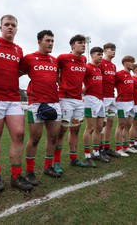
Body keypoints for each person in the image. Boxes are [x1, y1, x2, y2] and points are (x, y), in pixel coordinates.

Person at [0, 14, 33, 192]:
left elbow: (16, 71)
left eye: (13, 25)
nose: (10, 27)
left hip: (13, 99)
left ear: (17, 29)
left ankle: (16, 176)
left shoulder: (18, 50)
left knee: (18, 134)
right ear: (0, 27)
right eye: (7, 24)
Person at [19, 30, 62, 186]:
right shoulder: (29, 58)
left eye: (52, 41)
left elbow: (59, 80)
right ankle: (30, 172)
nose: (50, 43)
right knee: (35, 138)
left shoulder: (55, 61)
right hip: (35, 104)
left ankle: (48, 167)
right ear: (39, 41)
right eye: (47, 40)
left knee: (53, 137)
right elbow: (15, 74)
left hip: (55, 103)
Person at [53, 34, 88, 172]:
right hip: (65, 99)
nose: (83, 45)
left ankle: (74, 159)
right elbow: (54, 70)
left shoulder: (84, 59)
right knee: (61, 131)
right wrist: (61, 84)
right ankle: (56, 162)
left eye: (84, 43)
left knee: (75, 129)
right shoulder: (63, 58)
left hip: (79, 100)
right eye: (80, 43)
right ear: (73, 45)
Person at [82, 46, 109, 168]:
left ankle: (96, 152)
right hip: (90, 100)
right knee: (90, 128)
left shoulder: (99, 69)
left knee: (99, 127)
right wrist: (83, 90)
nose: (101, 57)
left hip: (100, 100)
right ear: (92, 55)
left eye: (102, 55)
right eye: (99, 54)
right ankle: (87, 156)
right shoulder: (87, 67)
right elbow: (79, 80)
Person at [99, 43, 121, 158]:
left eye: (115, 50)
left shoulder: (113, 66)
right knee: (102, 123)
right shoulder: (100, 63)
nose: (114, 52)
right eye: (111, 49)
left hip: (111, 97)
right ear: (105, 50)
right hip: (102, 98)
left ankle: (107, 148)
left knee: (110, 123)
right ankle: (100, 148)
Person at [114, 55, 137, 156]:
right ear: (125, 63)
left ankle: (126, 146)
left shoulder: (131, 76)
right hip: (122, 102)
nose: (133, 64)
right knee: (121, 125)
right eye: (131, 62)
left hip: (131, 102)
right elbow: (111, 84)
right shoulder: (119, 74)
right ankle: (118, 148)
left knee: (128, 125)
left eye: (133, 62)